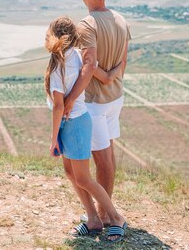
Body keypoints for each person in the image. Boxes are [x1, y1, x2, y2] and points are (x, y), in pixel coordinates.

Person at [45, 16, 127, 242]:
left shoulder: (57, 66)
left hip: (75, 123)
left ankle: (116, 218)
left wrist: (53, 140)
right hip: (70, 123)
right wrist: (116, 70)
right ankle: (92, 219)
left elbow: (59, 106)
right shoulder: (79, 57)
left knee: (83, 178)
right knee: (72, 173)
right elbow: (102, 75)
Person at [64, 0, 131, 227]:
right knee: (109, 156)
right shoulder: (121, 20)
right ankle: (104, 212)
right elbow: (123, 62)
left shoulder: (86, 25)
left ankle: (105, 216)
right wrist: (110, 75)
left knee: (101, 160)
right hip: (115, 96)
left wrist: (70, 99)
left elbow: (89, 65)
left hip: (94, 102)